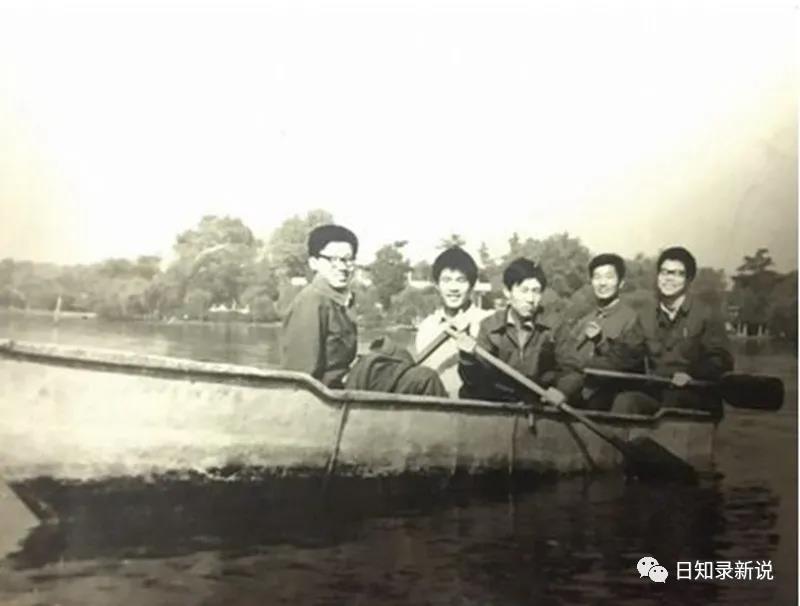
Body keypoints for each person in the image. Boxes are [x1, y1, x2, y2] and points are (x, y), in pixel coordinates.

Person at [612, 246, 734, 416]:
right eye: (664, 272)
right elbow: (626, 354)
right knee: (625, 401)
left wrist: (691, 375)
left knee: (674, 399)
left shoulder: (707, 314)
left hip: (695, 395)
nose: (669, 279)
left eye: (677, 274)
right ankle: (619, 434)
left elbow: (720, 359)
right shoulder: (646, 316)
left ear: (689, 279)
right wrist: (591, 359)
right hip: (657, 393)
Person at [456, 257, 577, 405]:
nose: (531, 299)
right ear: (507, 292)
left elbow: (573, 369)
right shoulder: (490, 326)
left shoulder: (555, 325)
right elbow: (475, 380)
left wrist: (562, 391)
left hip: (541, 404)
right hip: (500, 406)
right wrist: (467, 359)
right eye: (524, 290)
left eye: (536, 291)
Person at [556, 253, 645, 410]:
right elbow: (567, 358)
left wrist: (600, 343)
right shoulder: (584, 320)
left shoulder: (631, 319)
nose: (602, 283)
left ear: (621, 283)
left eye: (609, 277)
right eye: (597, 277)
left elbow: (625, 363)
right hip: (575, 396)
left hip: (609, 398)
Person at [281, 224, 359, 388]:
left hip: (340, 392)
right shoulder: (311, 302)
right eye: (332, 260)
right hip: (322, 399)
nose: (342, 267)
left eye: (348, 260)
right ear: (314, 263)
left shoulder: (339, 302)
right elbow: (300, 376)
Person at [414, 247, 492, 398]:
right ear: (437, 285)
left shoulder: (489, 321)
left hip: (478, 407)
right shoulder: (427, 327)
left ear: (472, 285)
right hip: (435, 407)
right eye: (446, 280)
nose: (453, 288)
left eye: (461, 280)